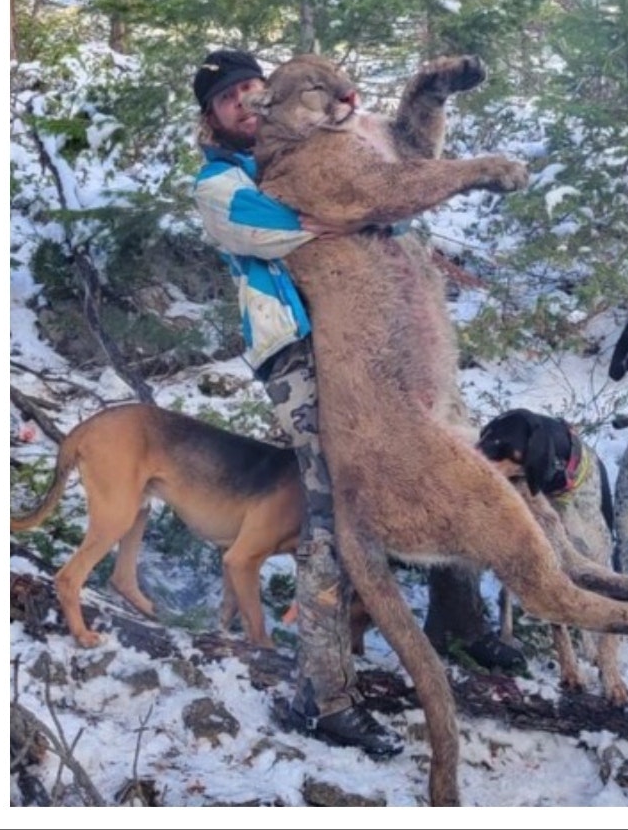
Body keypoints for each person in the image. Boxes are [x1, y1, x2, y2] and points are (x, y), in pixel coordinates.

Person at [190, 49, 520, 757]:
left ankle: (456, 617)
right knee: (332, 511)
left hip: (373, 336)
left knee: (441, 454)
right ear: (212, 117)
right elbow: (274, 220)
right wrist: (345, 211)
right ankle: (324, 692)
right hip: (299, 353)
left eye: (253, 89)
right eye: (228, 100)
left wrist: (412, 122)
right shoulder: (218, 181)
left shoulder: (316, 136)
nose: (245, 103)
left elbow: (388, 167)